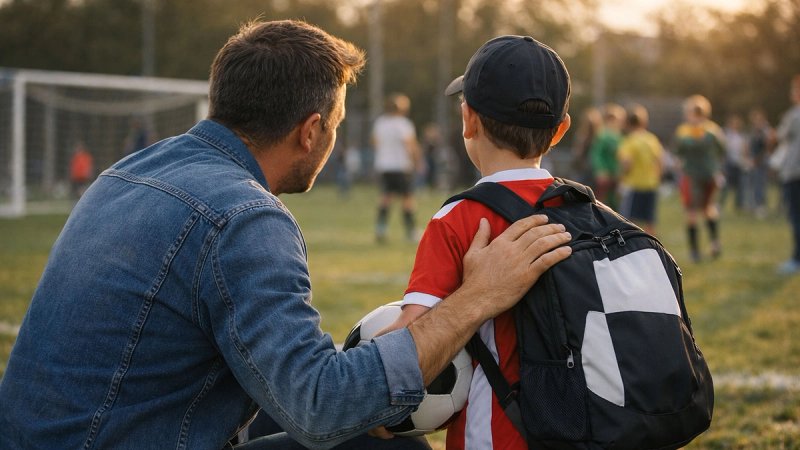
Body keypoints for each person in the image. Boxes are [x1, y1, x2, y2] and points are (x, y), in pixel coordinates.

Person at [0, 20, 573, 450]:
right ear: (311, 132)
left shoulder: (128, 171)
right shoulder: (243, 216)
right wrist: (478, 297)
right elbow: (322, 406)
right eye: (338, 126)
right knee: (386, 443)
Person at [380, 35, 572, 450]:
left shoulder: (459, 220)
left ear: (468, 120)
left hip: (493, 436)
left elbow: (411, 339)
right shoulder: (590, 212)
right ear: (560, 130)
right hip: (585, 429)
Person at [672, 94, 726, 262]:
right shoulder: (713, 129)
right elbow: (722, 150)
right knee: (706, 209)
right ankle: (712, 244)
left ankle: (697, 250)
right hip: (705, 174)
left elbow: (678, 152)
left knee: (694, 211)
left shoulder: (686, 131)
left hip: (695, 176)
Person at [373, 93, 423, 243]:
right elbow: (410, 145)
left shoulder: (380, 122)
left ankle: (381, 229)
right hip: (401, 166)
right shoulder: (403, 124)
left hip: (385, 166)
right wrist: (417, 162)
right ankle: (411, 232)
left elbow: (375, 142)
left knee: (385, 198)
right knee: (407, 199)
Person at [617, 104, 664, 235]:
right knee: (650, 220)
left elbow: (627, 163)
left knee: (629, 220)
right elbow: (660, 161)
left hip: (634, 185)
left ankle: (632, 247)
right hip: (651, 184)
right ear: (644, 122)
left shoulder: (629, 141)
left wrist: (622, 178)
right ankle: (652, 247)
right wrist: (657, 177)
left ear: (628, 123)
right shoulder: (651, 139)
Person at [776, 74, 800, 275]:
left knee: (796, 217)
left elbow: (780, 137)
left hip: (794, 173)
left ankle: (797, 259)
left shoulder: (794, 115)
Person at [589, 103, 625, 210]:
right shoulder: (602, 135)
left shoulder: (620, 136)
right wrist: (601, 170)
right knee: (601, 202)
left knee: (616, 202)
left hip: (616, 174)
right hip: (605, 174)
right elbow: (596, 154)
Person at [747, 108, 776, 219]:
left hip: (761, 161)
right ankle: (754, 205)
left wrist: (758, 158)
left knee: (760, 184)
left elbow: (768, 146)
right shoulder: (754, 131)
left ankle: (761, 206)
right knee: (753, 184)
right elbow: (749, 145)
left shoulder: (765, 130)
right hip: (754, 161)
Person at [719, 114, 750, 213]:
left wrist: (745, 160)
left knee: (741, 186)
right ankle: (720, 205)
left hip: (739, 163)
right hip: (729, 163)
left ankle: (739, 206)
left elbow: (745, 150)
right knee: (725, 185)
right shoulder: (726, 135)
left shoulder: (742, 136)